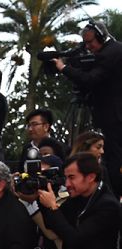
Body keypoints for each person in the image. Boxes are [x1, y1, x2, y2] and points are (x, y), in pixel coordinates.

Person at [52, 22, 122, 195]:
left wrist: (64, 68)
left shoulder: (111, 53)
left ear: (101, 36)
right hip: (110, 114)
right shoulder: (110, 51)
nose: (88, 47)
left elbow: (90, 79)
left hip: (114, 117)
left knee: (114, 158)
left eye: (90, 42)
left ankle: (114, 195)